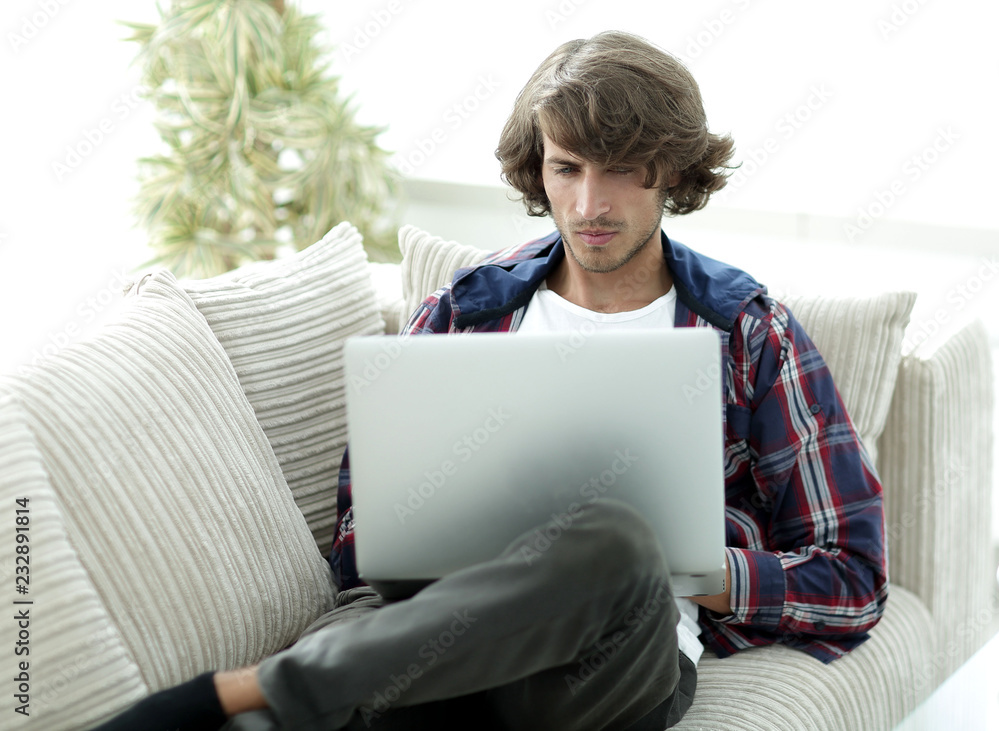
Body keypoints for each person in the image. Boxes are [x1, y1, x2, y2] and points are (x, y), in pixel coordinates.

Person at [93, 30, 887, 731]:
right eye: (567, 168)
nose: (588, 203)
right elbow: (359, 539)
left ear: (671, 170)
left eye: (621, 172)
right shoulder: (465, 312)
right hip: (430, 637)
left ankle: (241, 687)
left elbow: (852, 579)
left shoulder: (749, 331)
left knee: (617, 541)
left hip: (597, 669)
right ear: (537, 169)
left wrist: (689, 564)